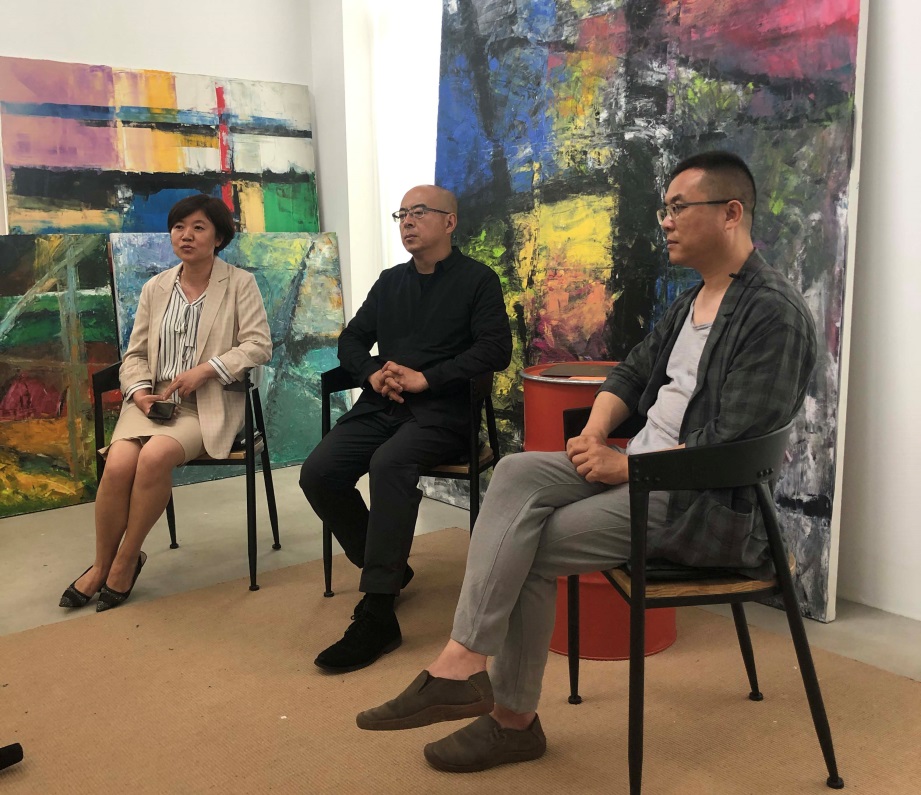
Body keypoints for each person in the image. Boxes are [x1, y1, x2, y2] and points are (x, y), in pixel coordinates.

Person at [355, 152, 818, 772]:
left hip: (699, 502)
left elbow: (731, 445)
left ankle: (510, 720)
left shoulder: (772, 313)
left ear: (731, 213)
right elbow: (630, 372)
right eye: (665, 208)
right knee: (516, 471)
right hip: (644, 467)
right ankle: (463, 663)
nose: (665, 221)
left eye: (679, 207)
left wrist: (625, 468)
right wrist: (597, 434)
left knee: (525, 547)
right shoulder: (696, 300)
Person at [300, 184, 512, 673]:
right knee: (319, 473)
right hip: (382, 404)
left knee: (389, 464)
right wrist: (372, 372)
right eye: (402, 215)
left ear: (449, 222)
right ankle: (389, 568)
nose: (408, 222)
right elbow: (352, 339)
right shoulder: (390, 281)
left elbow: (495, 349)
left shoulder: (478, 280)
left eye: (419, 212)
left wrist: (427, 378)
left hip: (444, 411)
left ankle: (378, 612)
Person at [59, 194, 272, 612]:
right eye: (179, 227)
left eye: (198, 227)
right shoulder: (155, 288)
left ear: (218, 237)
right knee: (118, 463)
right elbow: (135, 354)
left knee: (154, 456)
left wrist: (206, 370)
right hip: (152, 403)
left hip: (206, 404)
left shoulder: (240, 284)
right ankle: (100, 566)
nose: (186, 235)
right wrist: (140, 393)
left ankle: (126, 559)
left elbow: (258, 345)